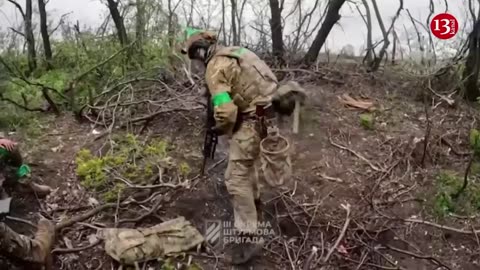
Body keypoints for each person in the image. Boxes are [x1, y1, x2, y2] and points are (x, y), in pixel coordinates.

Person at [180, 28, 303, 264]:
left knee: (235, 177)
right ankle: (255, 200)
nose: (196, 64)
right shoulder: (238, 52)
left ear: (201, 52)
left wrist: (223, 129)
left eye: (195, 58)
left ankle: (248, 235)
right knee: (248, 163)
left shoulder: (215, 67)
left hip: (253, 121)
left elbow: (226, 112)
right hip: (267, 115)